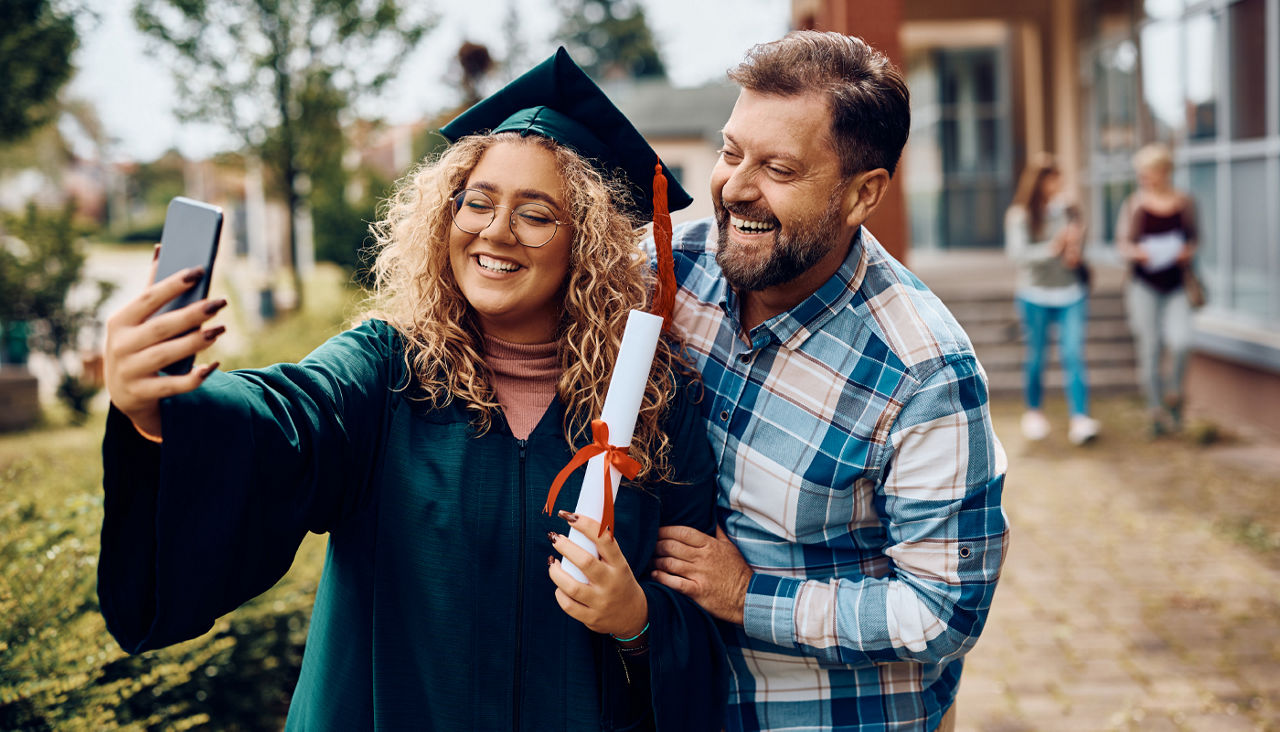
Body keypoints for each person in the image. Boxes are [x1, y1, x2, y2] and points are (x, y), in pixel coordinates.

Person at [97, 49, 727, 731]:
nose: (495, 231)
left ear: (589, 242)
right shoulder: (388, 370)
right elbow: (290, 415)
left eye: (537, 214)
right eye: (477, 201)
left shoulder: (650, 409)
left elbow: (698, 624)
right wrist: (166, 409)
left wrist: (635, 619)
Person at [648, 32, 1009, 732]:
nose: (735, 187)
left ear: (862, 194)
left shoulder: (926, 374)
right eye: (730, 153)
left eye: (778, 168)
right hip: (675, 703)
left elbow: (945, 612)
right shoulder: (669, 271)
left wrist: (750, 596)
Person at [1005, 153, 1100, 445]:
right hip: (1035, 294)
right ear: (1038, 182)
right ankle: (1034, 413)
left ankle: (1080, 418)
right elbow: (1019, 256)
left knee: (1073, 353)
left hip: (1070, 293)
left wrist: (1073, 253)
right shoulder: (1019, 214)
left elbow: (1078, 248)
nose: (1057, 184)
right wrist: (1053, 248)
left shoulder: (1068, 210)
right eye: (1052, 179)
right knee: (1036, 356)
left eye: (1059, 178)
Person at [1116, 143, 1199, 436]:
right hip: (1144, 285)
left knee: (1181, 342)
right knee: (1150, 349)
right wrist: (1139, 253)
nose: (1144, 178)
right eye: (1142, 173)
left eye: (1148, 172)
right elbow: (1123, 244)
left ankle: (1174, 397)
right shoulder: (1135, 204)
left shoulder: (1184, 202)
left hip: (1176, 284)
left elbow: (1195, 238)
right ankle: (1156, 413)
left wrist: (1186, 251)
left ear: (1164, 172)